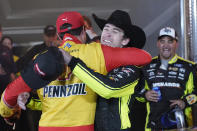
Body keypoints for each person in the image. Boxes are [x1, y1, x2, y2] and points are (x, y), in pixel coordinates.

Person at [0, 10, 152, 131]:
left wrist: (72, 62)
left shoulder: (131, 68)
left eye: (115, 31)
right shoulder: (97, 53)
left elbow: (107, 88)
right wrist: (29, 100)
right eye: (106, 29)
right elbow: (144, 56)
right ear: (83, 32)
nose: (107, 35)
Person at [137, 27, 197, 130]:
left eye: (170, 41)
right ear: (157, 43)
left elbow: (196, 94)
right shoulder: (146, 66)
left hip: (182, 125)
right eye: (162, 41)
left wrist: (184, 102)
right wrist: (145, 94)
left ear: (176, 44)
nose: (166, 45)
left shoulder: (189, 67)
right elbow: (137, 93)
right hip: (153, 126)